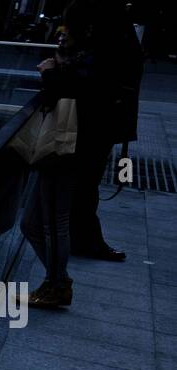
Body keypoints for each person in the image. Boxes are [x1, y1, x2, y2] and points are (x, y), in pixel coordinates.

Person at [21, 7, 102, 309]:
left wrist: (50, 72)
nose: (60, 32)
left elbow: (71, 91)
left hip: (67, 148)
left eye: (67, 27)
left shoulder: (90, 59)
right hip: (60, 146)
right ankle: (58, 279)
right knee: (31, 223)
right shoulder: (78, 57)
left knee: (53, 220)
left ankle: (56, 283)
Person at [69, 0, 144, 261]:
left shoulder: (97, 13)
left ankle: (81, 237)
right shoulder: (106, 15)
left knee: (82, 181)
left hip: (96, 111)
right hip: (98, 112)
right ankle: (83, 239)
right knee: (85, 181)